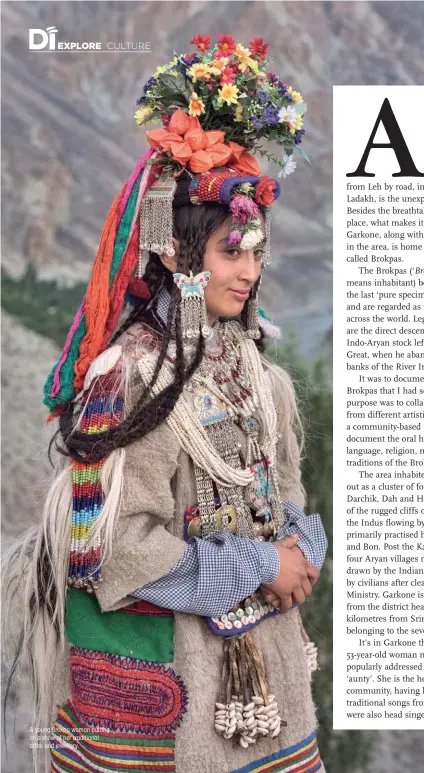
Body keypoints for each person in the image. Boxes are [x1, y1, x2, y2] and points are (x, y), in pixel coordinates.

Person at [3, 33, 327, 773]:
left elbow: (283, 498)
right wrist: (259, 565)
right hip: (169, 707)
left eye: (256, 249)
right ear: (179, 255)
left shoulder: (257, 373)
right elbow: (115, 550)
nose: (250, 269)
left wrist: (300, 551)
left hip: (263, 685)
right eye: (230, 250)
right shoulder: (130, 380)